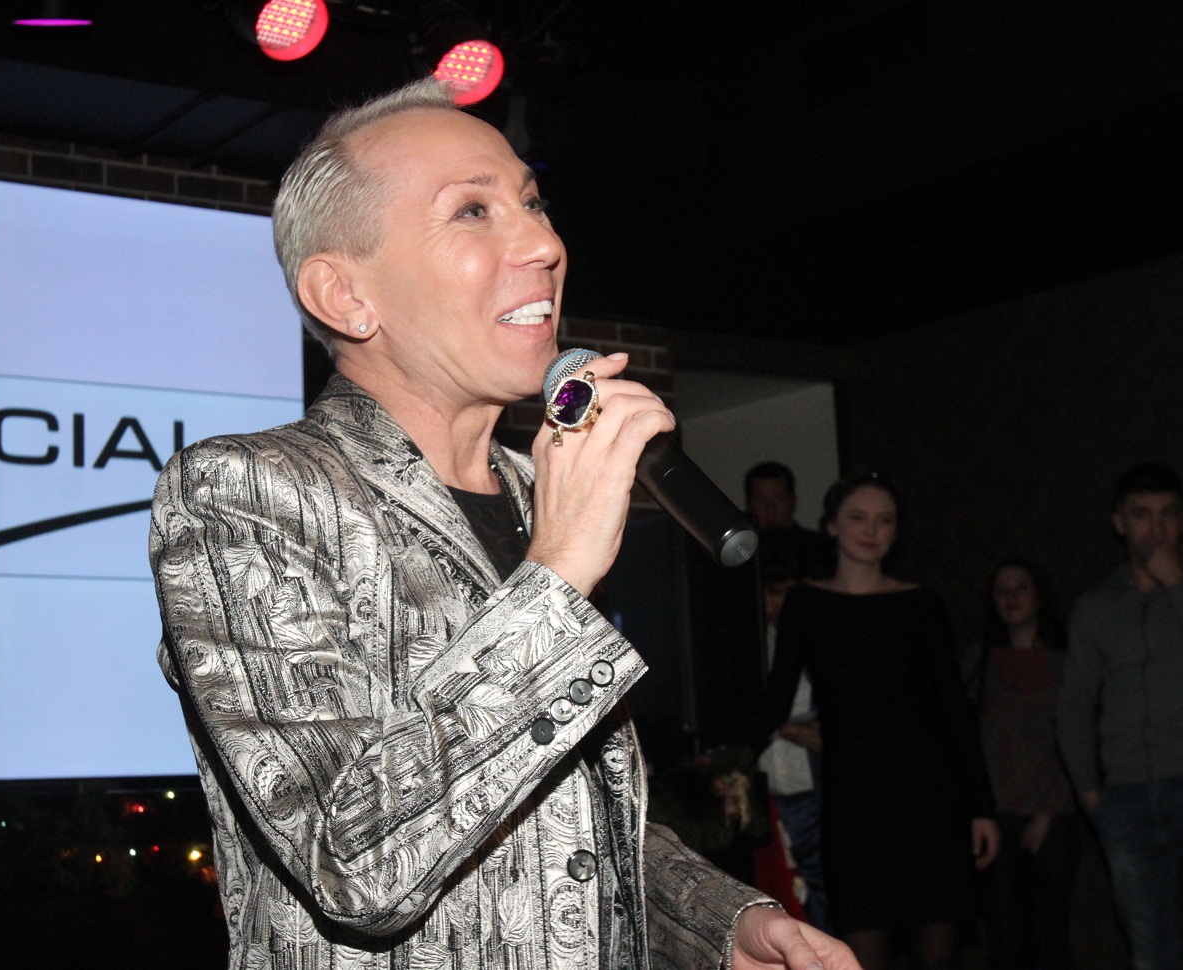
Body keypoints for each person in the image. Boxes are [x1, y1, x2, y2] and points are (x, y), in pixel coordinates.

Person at [149, 79, 858, 970]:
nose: (546, 245)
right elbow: (348, 858)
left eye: (533, 204)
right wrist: (557, 574)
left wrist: (718, 924)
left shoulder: (538, 493)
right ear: (345, 294)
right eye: (472, 211)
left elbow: (567, 828)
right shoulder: (242, 493)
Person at [749, 473, 999, 970]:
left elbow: (954, 707)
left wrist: (981, 807)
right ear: (831, 525)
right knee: (859, 948)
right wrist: (720, 761)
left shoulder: (921, 603)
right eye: (859, 517)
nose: (871, 529)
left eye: (885, 520)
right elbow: (776, 700)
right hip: (854, 799)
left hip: (931, 796)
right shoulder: (806, 603)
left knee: (938, 947)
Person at [1056, 462, 1183, 970]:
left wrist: (1179, 583)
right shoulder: (1096, 606)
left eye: (1167, 514)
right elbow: (1074, 703)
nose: (1156, 529)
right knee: (1152, 949)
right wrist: (1091, 794)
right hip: (1127, 801)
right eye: (1141, 515)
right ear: (1119, 522)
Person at [961, 560, 1078, 970]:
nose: (1011, 597)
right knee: (1007, 941)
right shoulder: (978, 663)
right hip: (996, 820)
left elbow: (1080, 741)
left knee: (1052, 937)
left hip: (1055, 814)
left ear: (1039, 596)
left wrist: (1048, 812)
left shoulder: (1067, 662)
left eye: (1021, 587)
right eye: (1002, 590)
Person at [755, 565, 828, 931]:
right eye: (769, 594)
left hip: (811, 789)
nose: (775, 604)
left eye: (784, 593)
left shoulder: (824, 644)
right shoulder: (752, 643)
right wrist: (784, 727)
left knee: (820, 890)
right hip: (763, 790)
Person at [746, 462, 832, 581]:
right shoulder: (737, 551)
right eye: (761, 500)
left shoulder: (821, 549)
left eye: (778, 499)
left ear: (793, 501)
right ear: (749, 504)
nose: (770, 508)